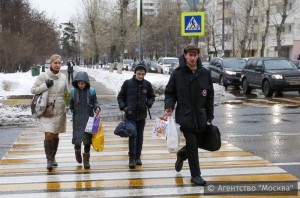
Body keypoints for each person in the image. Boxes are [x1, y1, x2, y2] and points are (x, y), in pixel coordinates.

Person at [164, 44, 214, 186]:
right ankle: (196, 175)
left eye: (195, 55)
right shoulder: (178, 73)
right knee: (192, 145)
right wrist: (169, 106)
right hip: (185, 116)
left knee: (196, 144)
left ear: (198, 56)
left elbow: (209, 95)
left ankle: (181, 154)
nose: (192, 58)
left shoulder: (204, 73)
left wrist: (210, 114)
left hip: (200, 116)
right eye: (190, 55)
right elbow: (170, 92)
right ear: (185, 55)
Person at [31, 54, 68, 170]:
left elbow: (66, 93)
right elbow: (33, 90)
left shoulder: (63, 77)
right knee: (48, 134)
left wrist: (67, 105)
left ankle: (53, 157)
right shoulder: (43, 76)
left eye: (59, 63)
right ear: (51, 63)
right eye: (55, 63)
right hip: (46, 108)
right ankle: (49, 159)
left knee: (56, 134)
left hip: (60, 110)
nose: (58, 65)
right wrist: (45, 85)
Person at [117, 63, 155, 169]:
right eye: (139, 73)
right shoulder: (128, 83)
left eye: (143, 74)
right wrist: (124, 107)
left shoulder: (147, 84)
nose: (141, 76)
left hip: (142, 115)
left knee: (139, 137)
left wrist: (148, 104)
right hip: (130, 115)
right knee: (132, 136)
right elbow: (120, 97)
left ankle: (138, 157)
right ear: (135, 73)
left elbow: (152, 96)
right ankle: (132, 158)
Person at [70, 71, 101, 169]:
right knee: (77, 140)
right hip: (77, 119)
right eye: (79, 83)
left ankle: (86, 160)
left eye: (82, 83)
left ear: (86, 83)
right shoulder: (73, 91)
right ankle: (77, 151)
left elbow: (95, 102)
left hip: (89, 119)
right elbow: (70, 103)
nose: (80, 85)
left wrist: (97, 108)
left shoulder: (91, 91)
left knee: (87, 141)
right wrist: (70, 107)